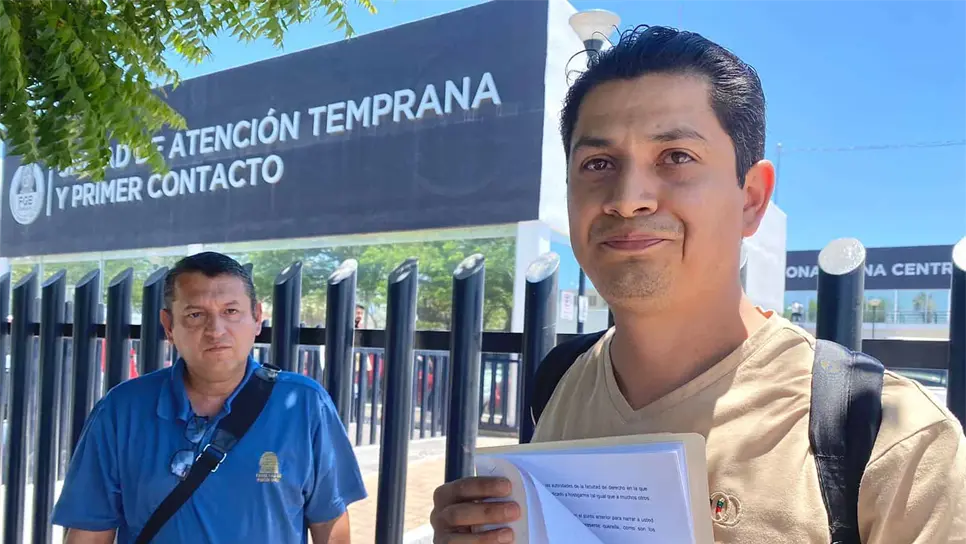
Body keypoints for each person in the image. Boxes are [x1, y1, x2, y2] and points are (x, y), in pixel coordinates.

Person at [429, 25, 965, 543]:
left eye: (676, 157)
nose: (628, 197)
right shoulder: (557, 385)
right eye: (598, 163)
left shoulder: (898, 445)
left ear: (751, 198)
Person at [53, 252, 366, 544]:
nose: (216, 330)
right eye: (195, 314)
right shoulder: (123, 410)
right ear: (168, 326)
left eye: (231, 311)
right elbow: (90, 531)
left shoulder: (304, 405)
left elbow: (330, 523)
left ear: (257, 318)